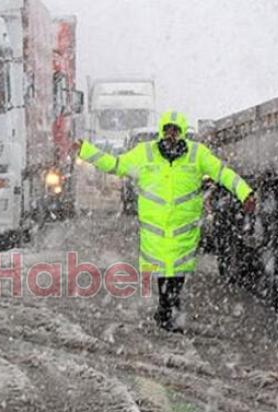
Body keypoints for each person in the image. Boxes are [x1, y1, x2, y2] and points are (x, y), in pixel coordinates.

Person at [73, 110, 257, 332]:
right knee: (163, 271)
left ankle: (170, 309)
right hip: (156, 229)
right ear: (162, 132)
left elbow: (224, 174)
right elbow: (115, 164)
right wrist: (87, 151)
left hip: (183, 228)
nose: (171, 135)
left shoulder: (197, 155)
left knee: (177, 272)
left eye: (176, 130)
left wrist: (245, 193)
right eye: (168, 130)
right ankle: (167, 309)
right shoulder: (145, 154)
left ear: (182, 133)